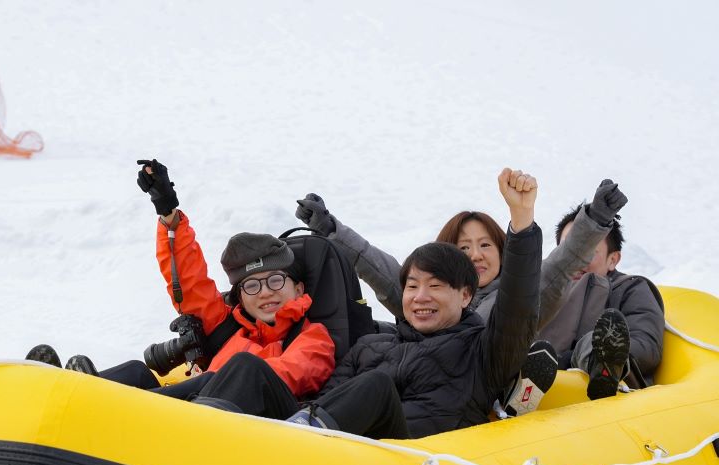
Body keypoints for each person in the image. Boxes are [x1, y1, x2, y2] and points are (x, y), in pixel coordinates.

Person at [28, 159, 337, 418]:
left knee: (243, 367)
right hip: (192, 411)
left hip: (245, 423)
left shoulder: (313, 338)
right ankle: (58, 390)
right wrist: (168, 213)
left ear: (298, 289)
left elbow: (289, 374)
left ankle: (97, 404)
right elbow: (191, 285)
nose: (266, 292)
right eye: (253, 285)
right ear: (240, 297)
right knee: (137, 371)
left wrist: (214, 382)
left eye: (275, 281)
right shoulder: (232, 329)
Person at [297, 178, 630, 413]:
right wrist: (331, 230)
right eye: (463, 247)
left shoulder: (513, 300)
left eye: (485, 245)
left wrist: (596, 219)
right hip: (425, 387)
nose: (475, 255)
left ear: (503, 252)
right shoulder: (433, 297)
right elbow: (381, 271)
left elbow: (558, 267)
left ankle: (519, 396)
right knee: (377, 332)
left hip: (486, 373)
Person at [285, 168, 542, 439]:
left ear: (465, 295)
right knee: (249, 368)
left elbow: (517, 308)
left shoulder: (481, 352)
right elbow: (325, 401)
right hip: (330, 446)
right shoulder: (370, 346)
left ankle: (292, 444)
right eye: (412, 286)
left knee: (376, 385)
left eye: (435, 286)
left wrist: (522, 218)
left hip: (401, 457)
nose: (421, 296)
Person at [536, 204, 665, 399]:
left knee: (598, 341)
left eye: (587, 250)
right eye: (569, 250)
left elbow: (646, 346)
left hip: (600, 389)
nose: (575, 259)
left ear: (612, 259)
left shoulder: (630, 289)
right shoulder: (545, 292)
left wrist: (566, 360)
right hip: (546, 387)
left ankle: (601, 364)